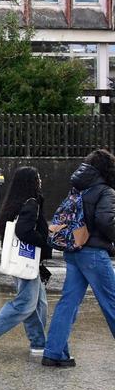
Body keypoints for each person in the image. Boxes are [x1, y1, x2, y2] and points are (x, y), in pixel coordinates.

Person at [42, 149, 115, 368]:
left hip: (74, 251)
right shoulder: (105, 191)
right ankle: (54, 352)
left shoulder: (78, 187)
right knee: (111, 302)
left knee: (68, 302)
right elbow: (106, 221)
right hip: (93, 253)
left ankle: (53, 352)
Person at [0, 166, 52, 357]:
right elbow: (24, 231)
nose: (41, 181)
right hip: (26, 261)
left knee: (38, 304)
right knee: (26, 303)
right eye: (38, 178)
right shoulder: (31, 203)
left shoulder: (15, 203)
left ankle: (38, 343)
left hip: (22, 260)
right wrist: (45, 241)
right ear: (31, 182)